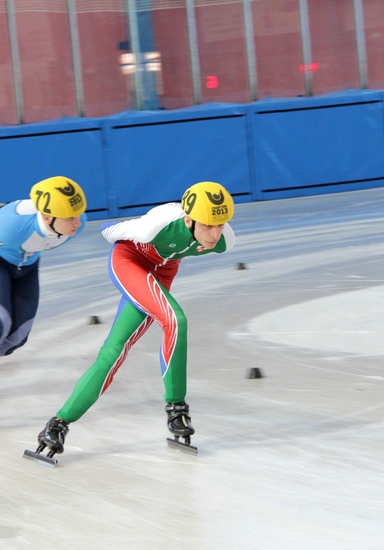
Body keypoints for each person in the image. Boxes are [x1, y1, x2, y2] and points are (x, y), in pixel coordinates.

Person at [30, 181, 235, 459]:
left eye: (220, 225)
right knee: (175, 319)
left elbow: (198, 242)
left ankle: (57, 425)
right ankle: (177, 409)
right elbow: (109, 232)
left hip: (159, 275)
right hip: (130, 261)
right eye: (208, 225)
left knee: (114, 351)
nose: (214, 233)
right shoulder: (157, 224)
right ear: (188, 219)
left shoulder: (225, 241)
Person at [0, 176, 88, 422]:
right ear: (46, 217)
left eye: (78, 214)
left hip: (26, 266)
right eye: (69, 217)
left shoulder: (77, 222)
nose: (77, 222)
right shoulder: (7, 227)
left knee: (14, 340)